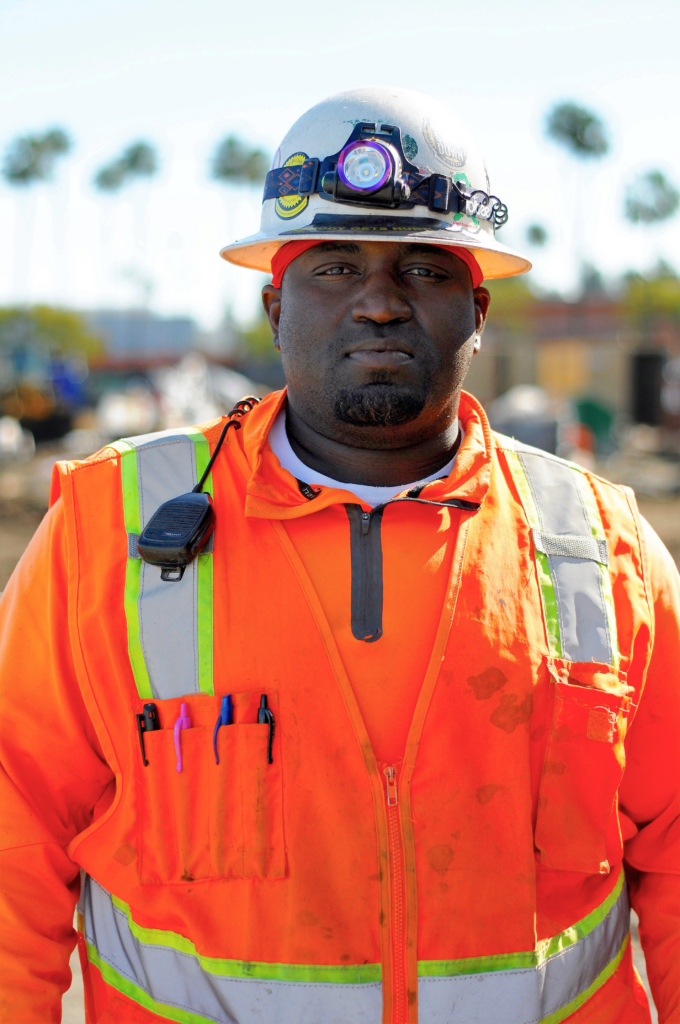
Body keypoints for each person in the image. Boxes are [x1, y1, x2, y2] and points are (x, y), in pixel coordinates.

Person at [0, 86, 678, 1024]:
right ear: (276, 306)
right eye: (335, 267)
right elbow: (13, 836)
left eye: (425, 271)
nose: (379, 304)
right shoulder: (107, 532)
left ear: (476, 311)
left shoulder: (600, 548)